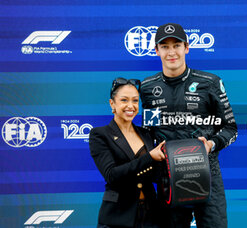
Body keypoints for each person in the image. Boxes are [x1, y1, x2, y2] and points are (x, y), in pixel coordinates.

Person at [140, 23, 238, 228]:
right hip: (168, 175)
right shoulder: (149, 88)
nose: (171, 52)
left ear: (187, 47)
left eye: (176, 45)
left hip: (206, 172)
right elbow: (149, 132)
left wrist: (211, 144)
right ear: (156, 50)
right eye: (165, 46)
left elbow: (230, 129)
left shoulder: (210, 82)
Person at [89, 78, 166, 228]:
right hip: (117, 216)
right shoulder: (99, 134)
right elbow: (112, 175)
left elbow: (155, 175)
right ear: (112, 104)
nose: (130, 106)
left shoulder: (146, 133)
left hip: (151, 216)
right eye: (124, 100)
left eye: (135, 101)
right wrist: (149, 157)